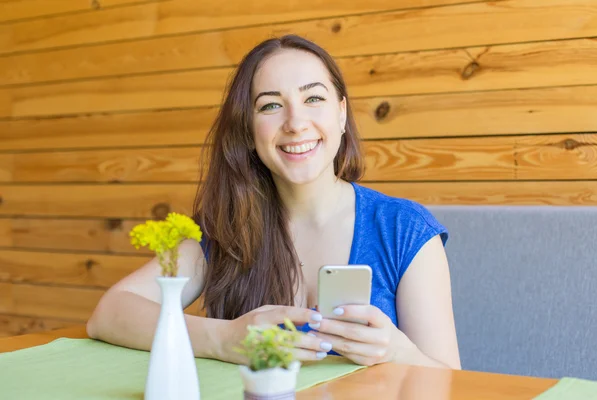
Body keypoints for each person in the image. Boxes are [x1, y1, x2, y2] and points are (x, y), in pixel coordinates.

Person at [86, 34, 461, 369]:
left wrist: (395, 351)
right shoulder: (224, 230)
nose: (296, 123)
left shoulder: (404, 228)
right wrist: (226, 338)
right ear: (248, 131)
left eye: (313, 98)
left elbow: (454, 384)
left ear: (342, 114)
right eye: (270, 106)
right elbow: (109, 313)